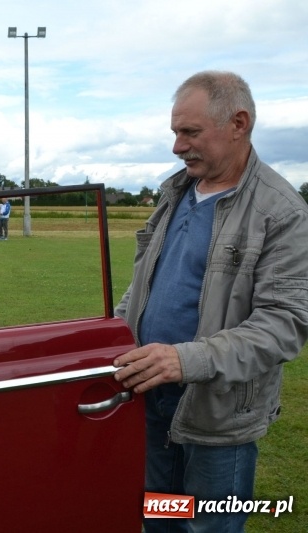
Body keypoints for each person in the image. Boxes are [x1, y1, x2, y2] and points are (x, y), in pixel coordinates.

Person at [113, 71, 308, 532]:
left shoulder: (281, 211)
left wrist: (189, 360)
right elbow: (144, 282)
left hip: (219, 413)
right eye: (176, 132)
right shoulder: (174, 192)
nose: (178, 146)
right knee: (160, 517)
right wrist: (113, 332)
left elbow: (287, 323)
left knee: (208, 525)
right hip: (151, 396)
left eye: (190, 132)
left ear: (238, 123)